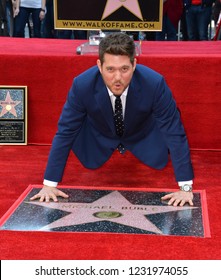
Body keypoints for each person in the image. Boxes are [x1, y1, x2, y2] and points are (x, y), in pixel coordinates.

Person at [30, 32, 194, 207]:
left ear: (134, 64)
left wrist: (185, 187)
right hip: (98, 136)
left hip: (143, 134)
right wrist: (49, 184)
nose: (117, 78)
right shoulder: (82, 85)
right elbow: (65, 132)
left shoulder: (155, 84)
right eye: (110, 69)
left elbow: (174, 132)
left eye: (124, 69)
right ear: (99, 66)